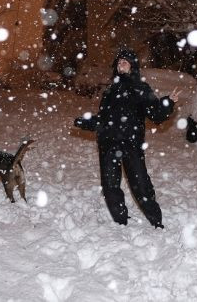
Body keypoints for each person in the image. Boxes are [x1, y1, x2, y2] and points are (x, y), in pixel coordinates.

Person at [74, 48, 180, 228]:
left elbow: (155, 113)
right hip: (108, 143)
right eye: (118, 62)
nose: (120, 64)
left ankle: (156, 220)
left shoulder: (140, 88)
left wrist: (168, 102)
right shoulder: (110, 91)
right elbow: (103, 118)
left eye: (125, 61)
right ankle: (120, 220)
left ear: (133, 66)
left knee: (140, 183)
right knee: (109, 185)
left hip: (131, 143)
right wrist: (87, 122)